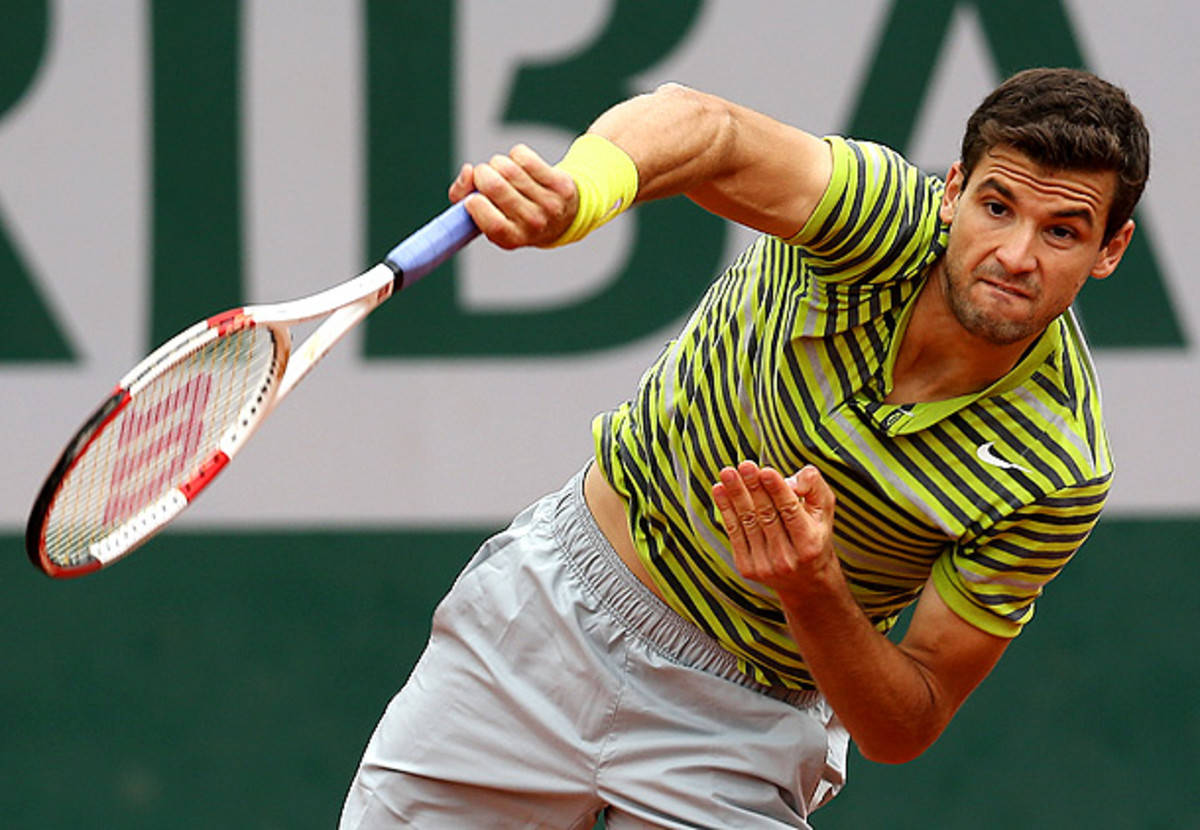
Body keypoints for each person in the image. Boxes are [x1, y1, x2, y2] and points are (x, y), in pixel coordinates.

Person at [340, 67, 1148, 828]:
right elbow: (706, 127)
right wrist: (578, 197)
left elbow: (909, 720)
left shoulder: (1057, 467)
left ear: (1109, 251)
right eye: (997, 208)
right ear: (952, 194)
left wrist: (815, 589)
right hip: (548, 620)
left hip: (742, 722)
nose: (1015, 255)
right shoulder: (877, 220)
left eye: (1063, 231)